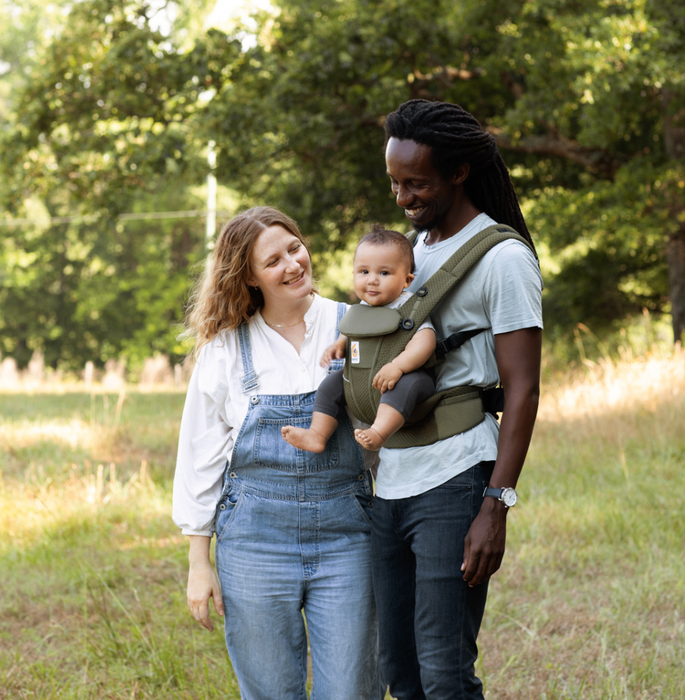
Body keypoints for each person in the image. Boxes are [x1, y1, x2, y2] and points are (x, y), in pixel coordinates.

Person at [172, 206, 382, 700]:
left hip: (348, 533)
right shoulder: (225, 349)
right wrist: (199, 563)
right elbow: (199, 456)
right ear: (248, 276)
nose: (292, 265)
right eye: (273, 261)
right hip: (254, 541)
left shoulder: (356, 324)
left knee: (354, 688)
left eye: (295, 248)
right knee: (269, 691)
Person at [371, 99, 543, 700]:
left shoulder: (503, 259)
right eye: (394, 182)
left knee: (444, 671)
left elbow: (523, 390)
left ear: (460, 172)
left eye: (416, 183)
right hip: (391, 477)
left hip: (457, 476)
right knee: (398, 668)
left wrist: (495, 504)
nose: (402, 198)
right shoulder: (408, 255)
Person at [281, 226, 436, 454]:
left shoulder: (409, 307)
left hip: (410, 378)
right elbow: (353, 330)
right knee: (331, 385)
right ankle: (317, 434)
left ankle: (379, 433)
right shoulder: (361, 309)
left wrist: (398, 366)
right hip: (364, 378)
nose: (372, 280)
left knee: (403, 387)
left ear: (406, 280)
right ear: (353, 274)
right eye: (364, 272)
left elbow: (426, 341)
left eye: (384, 273)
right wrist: (338, 345)